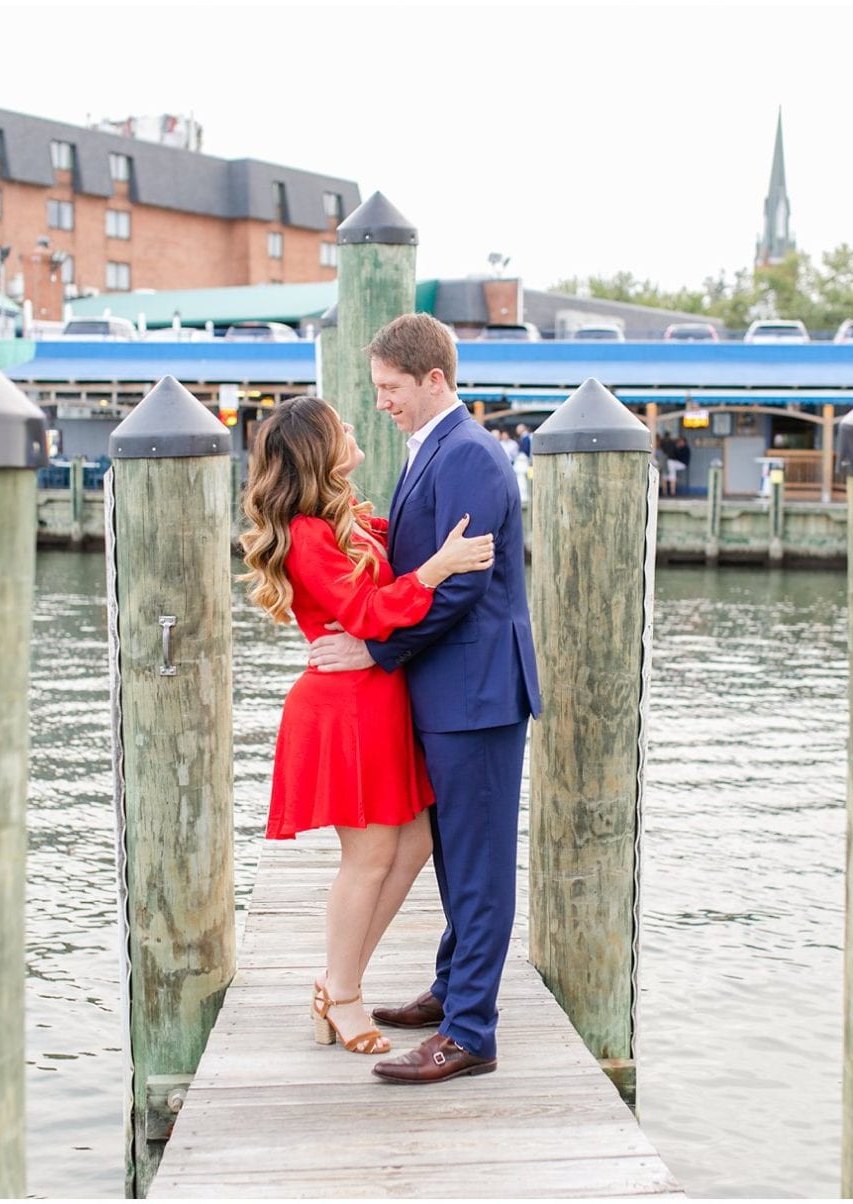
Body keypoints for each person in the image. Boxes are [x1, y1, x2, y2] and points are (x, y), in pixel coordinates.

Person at [307, 313, 541, 1085]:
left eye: (390, 387)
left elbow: (461, 589)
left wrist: (372, 649)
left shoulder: (468, 454)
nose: (381, 401)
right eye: (377, 389)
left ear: (433, 379)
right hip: (447, 693)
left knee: (478, 867)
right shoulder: (430, 450)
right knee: (454, 859)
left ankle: (472, 1030)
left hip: (475, 693)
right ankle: (451, 990)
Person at [239, 395, 496, 1057]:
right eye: (339, 427)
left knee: (410, 847)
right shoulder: (305, 533)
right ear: (314, 452)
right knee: (370, 856)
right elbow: (369, 613)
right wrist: (438, 567)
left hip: (380, 699)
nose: (353, 427)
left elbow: (388, 577)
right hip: (343, 707)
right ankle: (343, 993)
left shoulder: (344, 516)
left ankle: (337, 978)